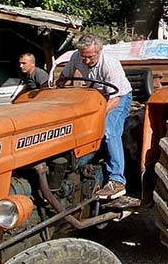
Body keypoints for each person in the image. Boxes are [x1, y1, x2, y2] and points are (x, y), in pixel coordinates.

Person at [56, 34, 132, 200]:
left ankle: (117, 180)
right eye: (83, 56)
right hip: (94, 96)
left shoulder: (110, 65)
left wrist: (96, 116)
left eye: (90, 57)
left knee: (109, 130)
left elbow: (115, 99)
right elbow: (63, 78)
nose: (86, 61)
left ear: (100, 51)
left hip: (118, 98)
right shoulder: (77, 57)